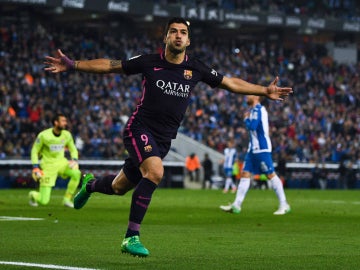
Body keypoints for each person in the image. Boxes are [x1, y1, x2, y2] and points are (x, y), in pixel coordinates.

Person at [44, 17, 292, 257]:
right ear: (165, 37)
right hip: (138, 128)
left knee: (119, 188)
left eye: (183, 32)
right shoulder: (149, 62)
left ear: (188, 41)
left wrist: (264, 90)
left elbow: (230, 83)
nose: (178, 35)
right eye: (173, 31)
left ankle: (89, 185)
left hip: (163, 140)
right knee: (155, 172)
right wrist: (73, 64)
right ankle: (131, 236)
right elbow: (110, 66)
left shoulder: (196, 68)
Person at [220, 95, 291, 215]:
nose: (246, 96)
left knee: (270, 175)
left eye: (249, 94)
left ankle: (284, 204)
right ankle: (236, 205)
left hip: (261, 149)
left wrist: (246, 119)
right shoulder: (253, 110)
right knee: (245, 174)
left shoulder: (259, 109)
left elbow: (252, 126)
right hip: (252, 149)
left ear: (257, 97)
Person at [29, 113, 81, 208]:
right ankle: (33, 195)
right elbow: (34, 151)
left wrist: (74, 160)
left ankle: (67, 199)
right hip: (48, 166)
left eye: (65, 121)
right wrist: (35, 167)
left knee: (76, 173)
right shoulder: (44, 136)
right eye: (63, 121)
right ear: (56, 122)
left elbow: (73, 148)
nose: (65, 123)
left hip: (62, 163)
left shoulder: (67, 135)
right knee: (44, 201)